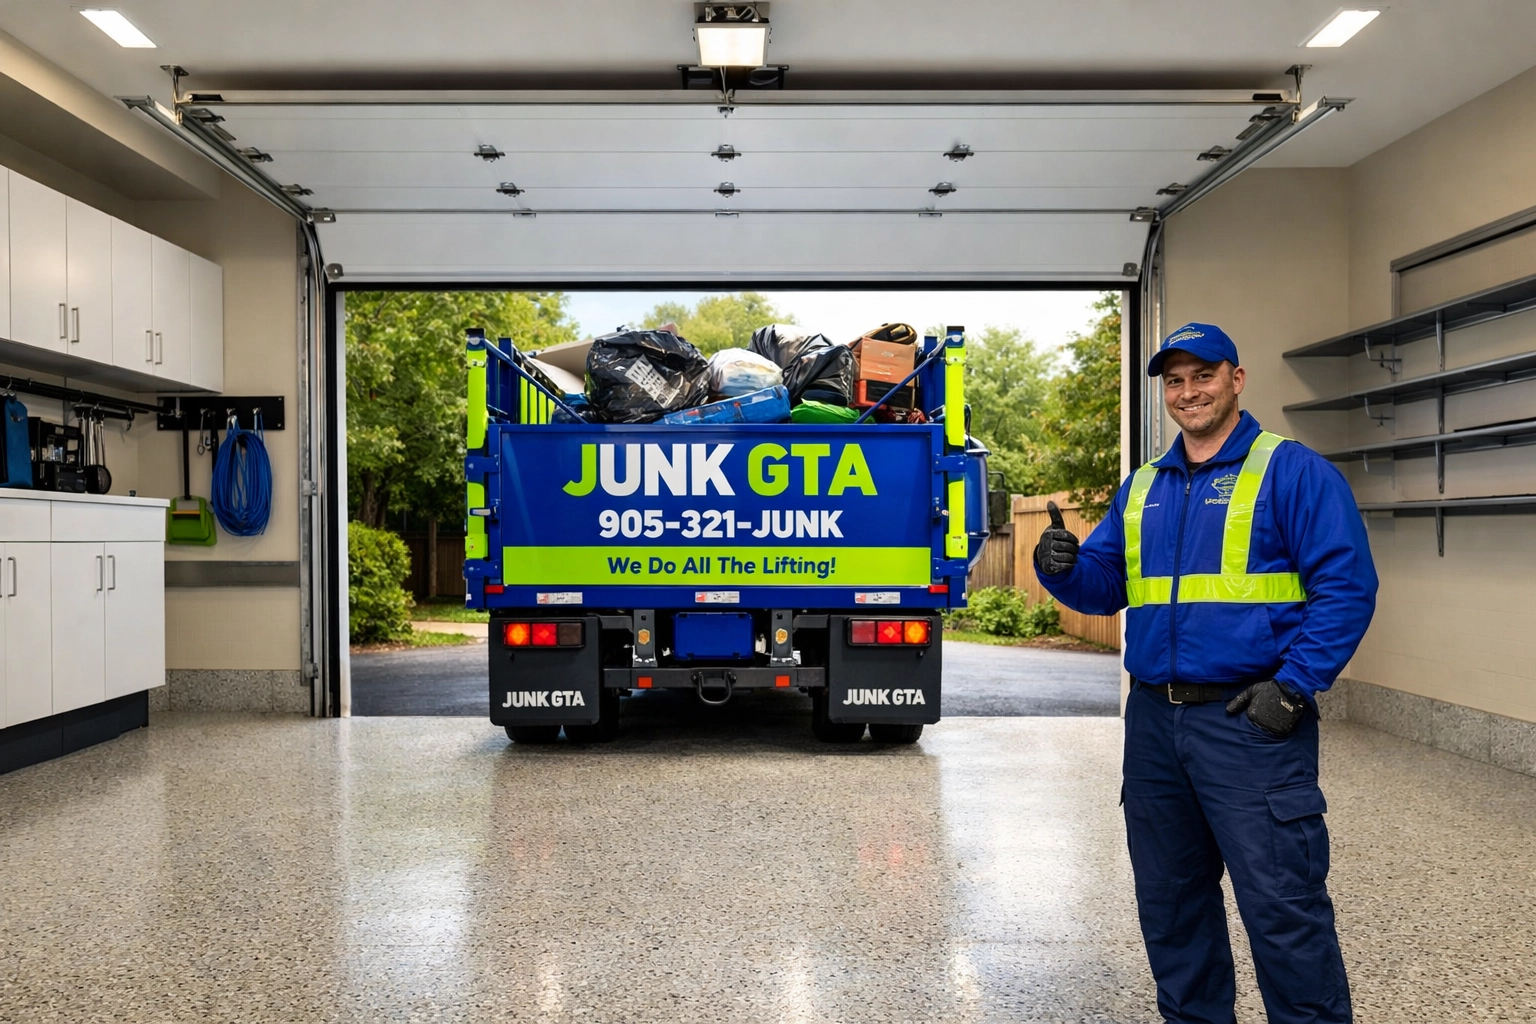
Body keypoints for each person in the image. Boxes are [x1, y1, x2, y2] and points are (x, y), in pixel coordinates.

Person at [1034, 323, 1377, 1024]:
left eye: (1203, 375)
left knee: (1281, 904)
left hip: (1249, 723)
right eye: (1175, 380)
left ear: (1236, 380)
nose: (1188, 392)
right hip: (1156, 726)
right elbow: (1105, 587)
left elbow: (1347, 588)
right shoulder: (1142, 488)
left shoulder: (1293, 472)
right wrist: (1060, 566)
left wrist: (1294, 685)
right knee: (1171, 902)